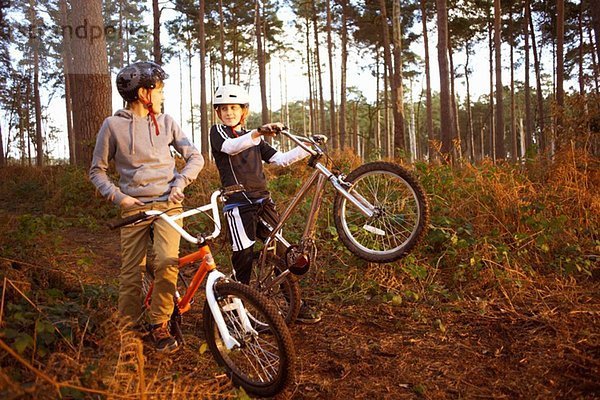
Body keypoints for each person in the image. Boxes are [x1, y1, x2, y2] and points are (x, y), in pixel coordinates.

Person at [90, 61, 203, 352]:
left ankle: (159, 324)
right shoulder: (112, 126)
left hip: (167, 205)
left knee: (167, 263)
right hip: (134, 209)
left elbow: (195, 157)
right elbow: (97, 171)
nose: (162, 96)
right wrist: (120, 197)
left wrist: (180, 184)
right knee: (131, 272)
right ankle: (126, 330)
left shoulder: (167, 122)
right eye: (159, 90)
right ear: (143, 93)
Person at [210, 84, 322, 324]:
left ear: (243, 111)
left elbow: (280, 160)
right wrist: (258, 132)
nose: (229, 112)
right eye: (224, 109)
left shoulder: (254, 138)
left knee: (283, 252)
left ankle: (294, 303)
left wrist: (308, 147)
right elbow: (231, 147)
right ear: (218, 112)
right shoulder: (218, 132)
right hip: (238, 206)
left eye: (234, 107)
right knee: (244, 256)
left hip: (263, 201)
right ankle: (236, 309)